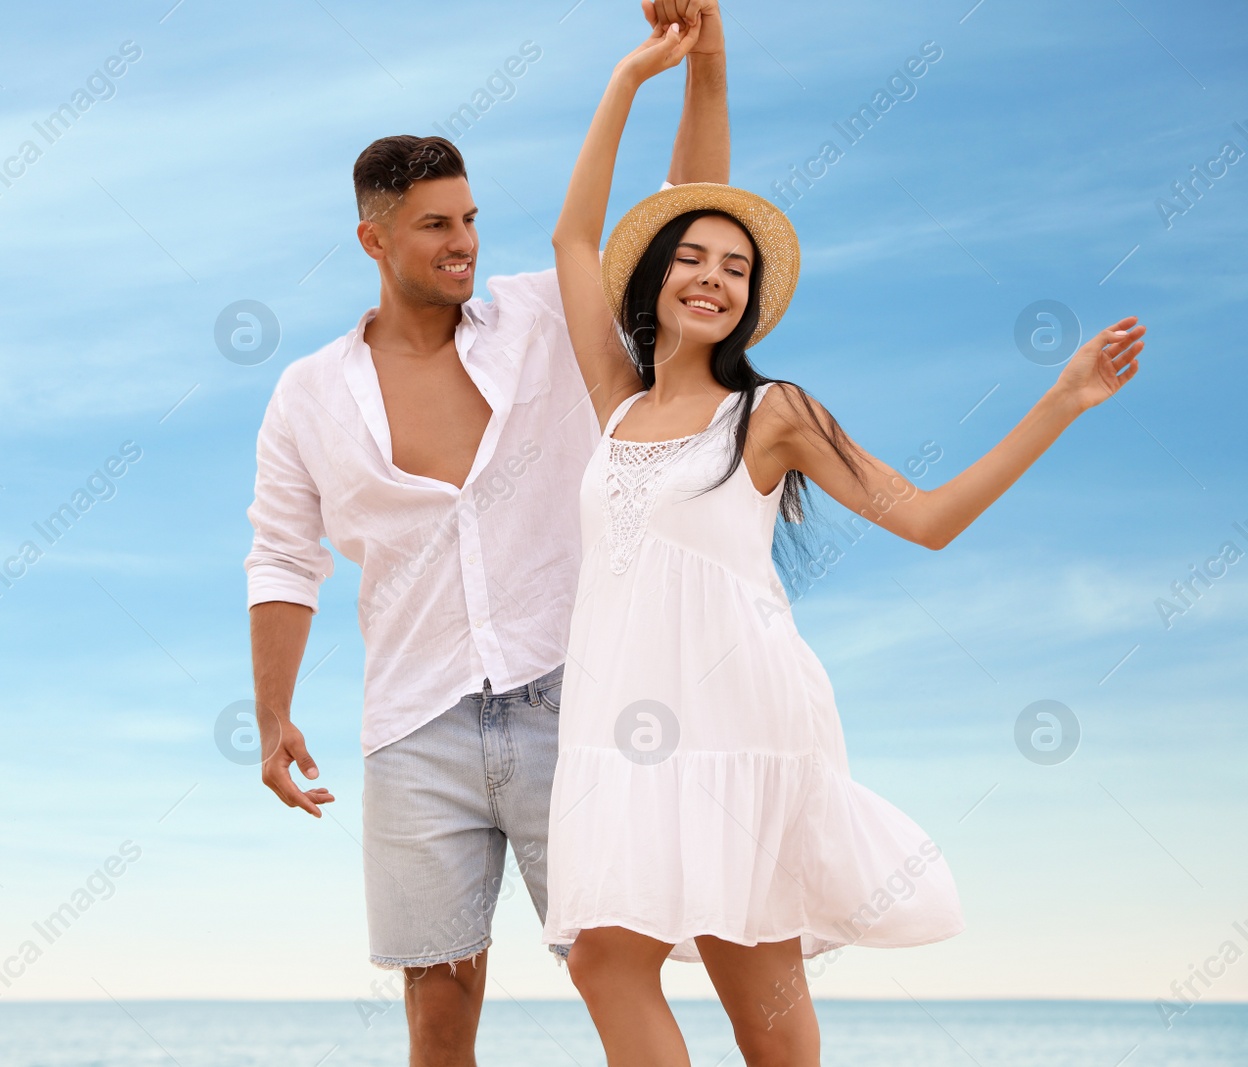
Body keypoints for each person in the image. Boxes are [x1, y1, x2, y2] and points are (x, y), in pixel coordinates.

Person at [539, 17, 1145, 1067]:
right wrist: (639, 73)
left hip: (743, 722)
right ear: (653, 283)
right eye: (690, 256)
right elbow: (571, 241)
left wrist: (1060, 401)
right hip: (616, 730)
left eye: (734, 267)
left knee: (758, 1002)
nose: (712, 277)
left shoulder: (772, 413)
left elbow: (927, 518)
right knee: (602, 956)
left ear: (748, 300)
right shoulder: (613, 402)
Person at [243, 4, 739, 1063]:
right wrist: (273, 710)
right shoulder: (306, 394)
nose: (463, 242)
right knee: (437, 1003)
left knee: (617, 966)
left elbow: (684, 220)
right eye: (434, 225)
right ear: (375, 239)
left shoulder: (545, 318)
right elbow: (284, 554)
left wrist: (704, 62)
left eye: (468, 218)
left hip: (575, 693)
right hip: (415, 721)